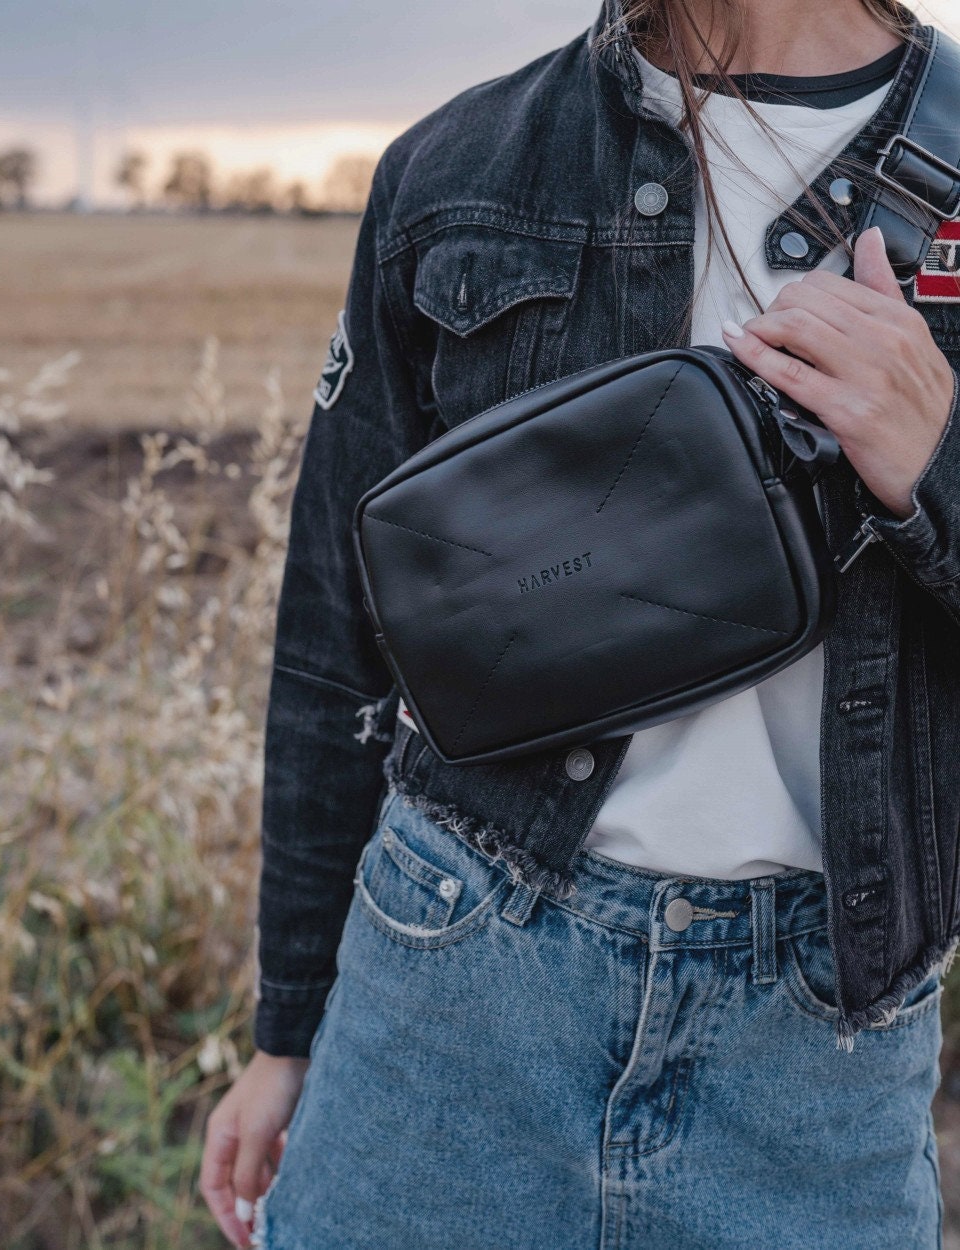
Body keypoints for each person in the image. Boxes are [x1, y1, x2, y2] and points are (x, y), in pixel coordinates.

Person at [201, 0, 960, 1244]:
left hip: (816, 1053)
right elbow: (334, 631)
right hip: (447, 974)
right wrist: (289, 1026)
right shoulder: (455, 167)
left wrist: (937, 458)